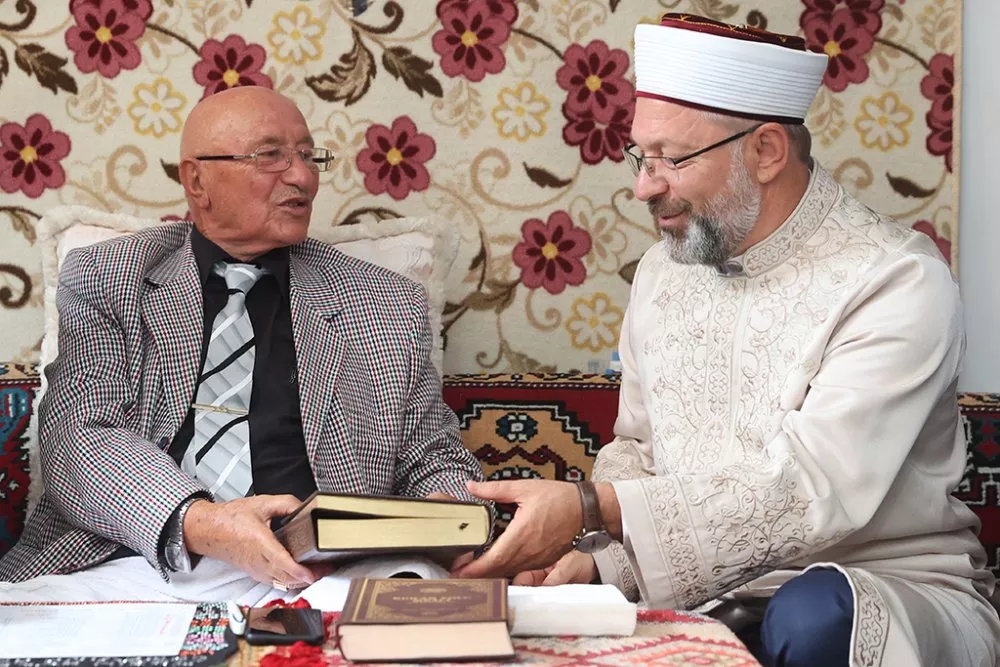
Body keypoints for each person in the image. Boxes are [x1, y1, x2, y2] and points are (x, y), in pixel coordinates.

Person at [454, 13, 1000, 667]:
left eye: (672, 158)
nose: (643, 185)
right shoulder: (663, 271)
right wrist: (595, 562)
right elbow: (638, 449)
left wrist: (590, 507)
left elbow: (811, 489)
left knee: (813, 616)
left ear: (766, 151)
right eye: (641, 156)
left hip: (879, 588)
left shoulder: (896, 278)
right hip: (701, 593)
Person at [0, 86, 483, 604]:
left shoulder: (384, 301)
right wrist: (204, 523)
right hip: (136, 561)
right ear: (197, 180)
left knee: (430, 610)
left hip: (323, 573)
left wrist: (454, 521)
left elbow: (432, 457)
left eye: (308, 156)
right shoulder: (110, 276)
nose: (302, 177)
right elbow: (79, 436)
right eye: (271, 155)